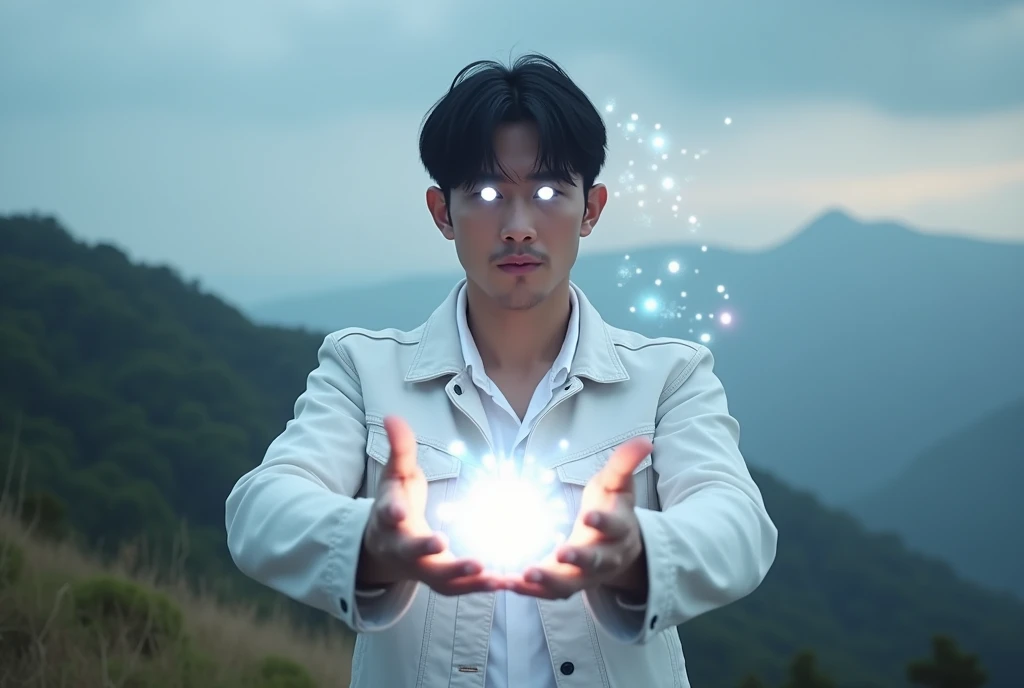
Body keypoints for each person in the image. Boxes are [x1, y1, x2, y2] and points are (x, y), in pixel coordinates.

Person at [225, 53, 778, 688]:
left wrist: (636, 552)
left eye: (547, 192)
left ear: (591, 209)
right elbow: (260, 510)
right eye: (487, 194)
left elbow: (738, 526)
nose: (518, 228)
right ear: (442, 211)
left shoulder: (668, 379)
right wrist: (370, 541)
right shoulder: (363, 371)